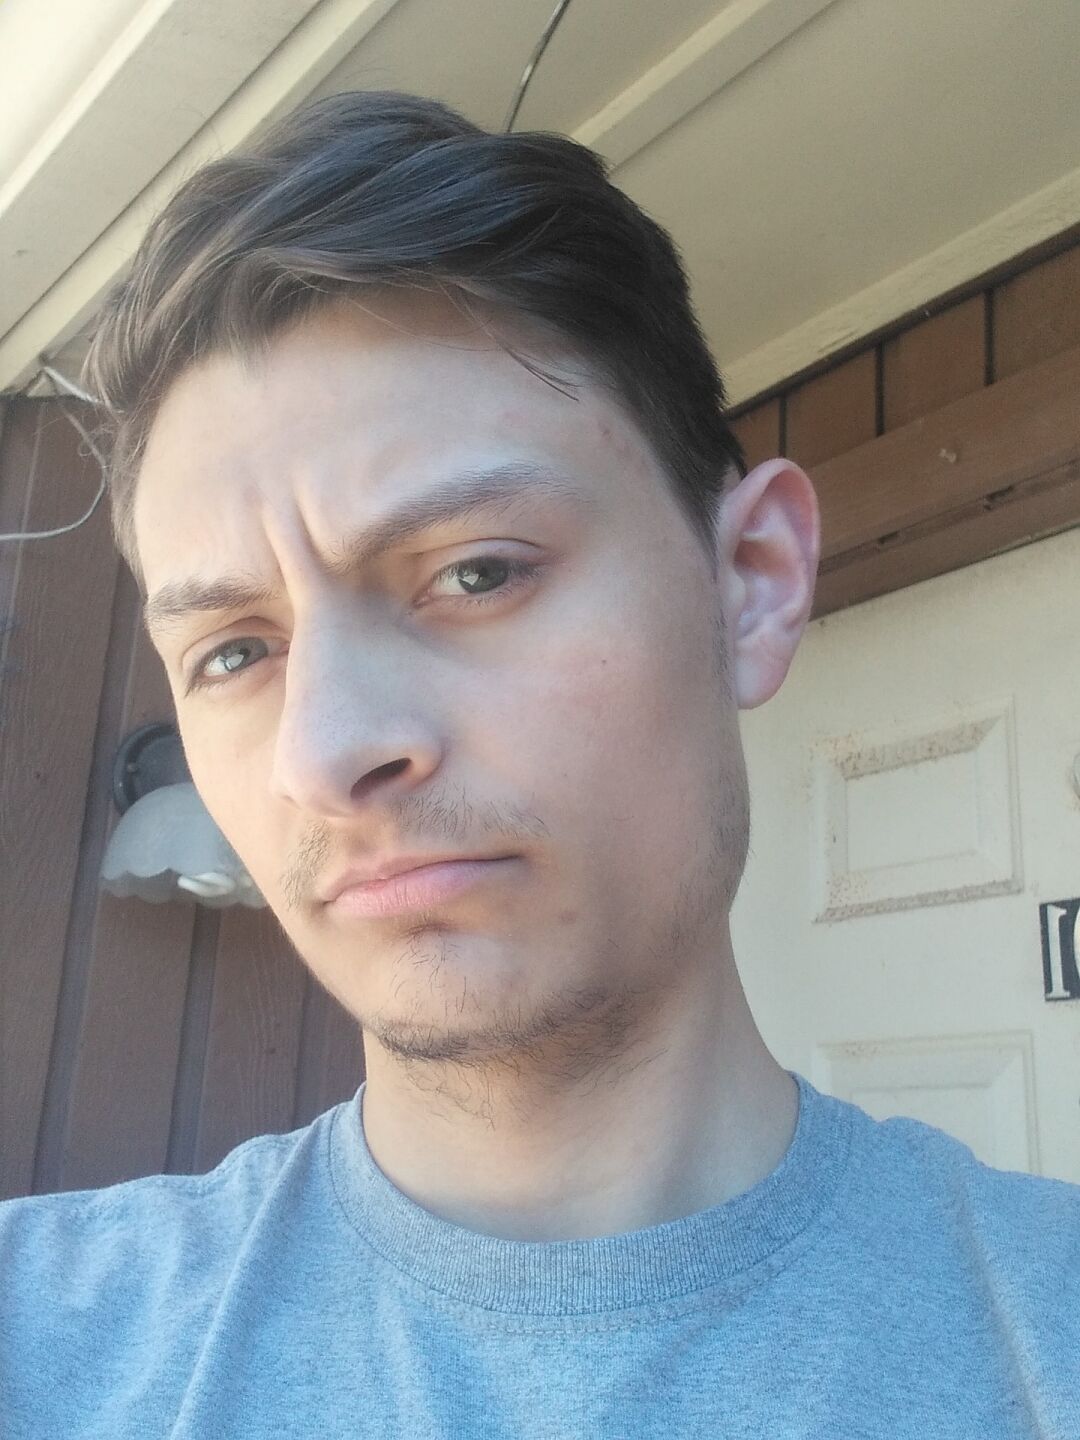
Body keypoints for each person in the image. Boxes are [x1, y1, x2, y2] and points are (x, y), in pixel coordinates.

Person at [1, 90, 1077, 1440]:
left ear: (750, 582)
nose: (324, 753)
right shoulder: (40, 1339)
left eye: (476, 573)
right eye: (233, 652)